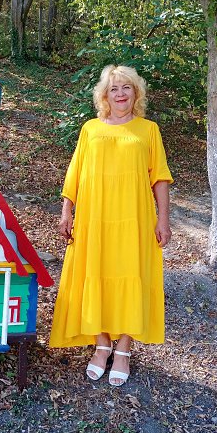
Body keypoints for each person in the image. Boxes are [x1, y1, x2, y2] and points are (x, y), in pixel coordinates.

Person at [49, 64, 173, 386]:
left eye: (126, 88)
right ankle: (102, 344)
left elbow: (160, 177)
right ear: (104, 95)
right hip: (95, 218)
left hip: (134, 218)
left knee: (132, 274)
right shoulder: (90, 129)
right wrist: (66, 211)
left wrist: (163, 218)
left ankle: (124, 350)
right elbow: (75, 171)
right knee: (97, 272)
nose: (120, 94)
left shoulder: (148, 130)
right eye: (113, 89)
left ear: (136, 93)